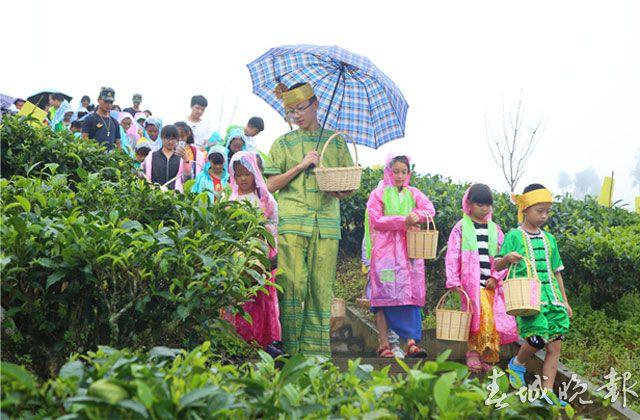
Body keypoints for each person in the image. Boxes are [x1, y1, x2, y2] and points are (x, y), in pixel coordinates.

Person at [264, 82, 354, 357]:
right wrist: (301, 165)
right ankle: (291, 350)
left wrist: (339, 188)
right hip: (293, 221)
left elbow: (346, 184)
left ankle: (317, 356)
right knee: (292, 283)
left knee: (320, 287)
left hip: (326, 224)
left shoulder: (335, 142)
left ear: (315, 104)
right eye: (291, 112)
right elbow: (270, 185)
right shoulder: (283, 144)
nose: (297, 116)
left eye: (301, 108)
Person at [495, 183, 572, 406]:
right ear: (525, 209)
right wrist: (506, 258)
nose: (544, 216)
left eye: (547, 211)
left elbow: (557, 272)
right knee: (539, 337)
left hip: (553, 298)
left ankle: (547, 393)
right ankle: (517, 363)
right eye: (539, 211)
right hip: (529, 298)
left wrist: (565, 302)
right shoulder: (514, 236)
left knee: (555, 346)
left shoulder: (550, 240)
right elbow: (498, 265)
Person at [365, 154, 435, 358]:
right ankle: (384, 344)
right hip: (385, 255)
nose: (399, 176)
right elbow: (376, 219)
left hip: (410, 255)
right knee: (383, 297)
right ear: (388, 172)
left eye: (403, 172)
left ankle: (411, 343)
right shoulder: (378, 194)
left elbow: (430, 209)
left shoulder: (414, 193)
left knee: (410, 296)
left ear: (408, 174)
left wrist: (419, 215)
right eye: (395, 171)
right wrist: (404, 220)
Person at [445, 184, 518, 372]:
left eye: (487, 205)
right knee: (475, 319)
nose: (484, 209)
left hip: (491, 284)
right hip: (471, 284)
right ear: (469, 204)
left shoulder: (495, 229)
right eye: (479, 204)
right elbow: (453, 254)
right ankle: (472, 353)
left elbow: (502, 256)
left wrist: (496, 276)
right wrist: (453, 279)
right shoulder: (461, 227)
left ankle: (486, 355)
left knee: (490, 320)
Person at [226, 151, 282, 355]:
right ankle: (238, 338)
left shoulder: (265, 199)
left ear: (255, 174)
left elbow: (274, 224)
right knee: (240, 297)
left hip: (260, 256)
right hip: (238, 256)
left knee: (260, 297)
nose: (242, 178)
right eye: (238, 174)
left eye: (247, 174)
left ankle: (263, 339)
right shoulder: (231, 198)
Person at [142, 124, 192, 192]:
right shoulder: (151, 157)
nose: (170, 141)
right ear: (161, 138)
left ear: (177, 139)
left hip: (174, 196)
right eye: (167, 138)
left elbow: (187, 180)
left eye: (173, 139)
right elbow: (144, 176)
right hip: (154, 196)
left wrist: (186, 160)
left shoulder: (180, 159)